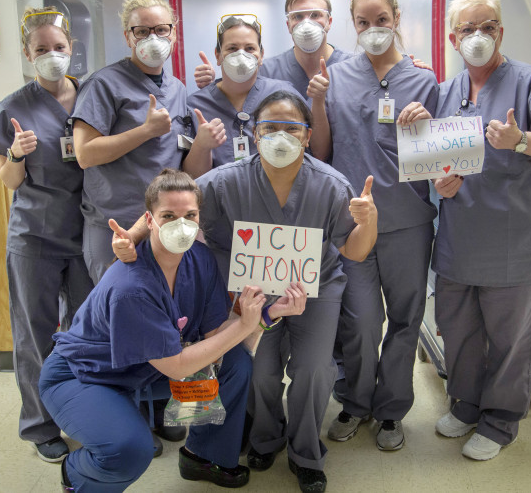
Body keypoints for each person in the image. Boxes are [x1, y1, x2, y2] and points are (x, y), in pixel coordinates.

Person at [113, 91, 378, 493]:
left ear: (308, 137)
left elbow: (355, 250)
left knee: (313, 368)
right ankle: (266, 438)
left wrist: (369, 221)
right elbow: (172, 201)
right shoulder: (226, 181)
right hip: (249, 293)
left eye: (292, 128)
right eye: (270, 128)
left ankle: (306, 453)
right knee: (261, 370)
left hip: (314, 291)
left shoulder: (330, 185)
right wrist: (130, 240)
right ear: (254, 134)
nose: (281, 137)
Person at [400, 0, 531, 461]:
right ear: (451, 37)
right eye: (467, 29)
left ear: (500, 31)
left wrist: (521, 140)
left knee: (510, 339)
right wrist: (445, 183)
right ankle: (466, 405)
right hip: (462, 238)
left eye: (487, 27)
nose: (477, 36)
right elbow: (447, 164)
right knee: (457, 329)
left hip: (518, 241)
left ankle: (501, 421)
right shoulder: (447, 92)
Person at [40, 169, 308, 491]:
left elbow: (214, 336)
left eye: (189, 215)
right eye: (168, 215)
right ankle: (78, 474)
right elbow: (178, 365)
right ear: (149, 220)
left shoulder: (200, 259)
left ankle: (202, 456)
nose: (181, 225)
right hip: (84, 376)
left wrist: (268, 315)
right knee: (129, 451)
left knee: (235, 364)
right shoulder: (132, 287)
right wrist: (247, 324)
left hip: (143, 370)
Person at [309, 0, 439, 451]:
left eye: (381, 19)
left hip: (408, 221)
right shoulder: (335, 76)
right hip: (353, 223)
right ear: (352, 24)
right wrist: (318, 103)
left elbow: (438, 159)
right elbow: (321, 150)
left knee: (406, 320)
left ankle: (391, 411)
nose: (373, 28)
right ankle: (355, 402)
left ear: (397, 19)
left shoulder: (425, 80)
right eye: (363, 22)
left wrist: (425, 126)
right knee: (360, 321)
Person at [0, 7, 93, 463]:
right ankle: (40, 425)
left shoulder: (92, 95)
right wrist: (17, 153)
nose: (52, 56)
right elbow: (7, 182)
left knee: (87, 331)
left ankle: (86, 414)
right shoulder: (14, 107)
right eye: (41, 50)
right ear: (28, 55)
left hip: (86, 235)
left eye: (59, 48)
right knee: (35, 333)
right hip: (35, 237)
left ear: (72, 50)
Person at [71, 0, 223, 284]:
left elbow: (184, 168)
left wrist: (202, 143)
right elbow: (85, 154)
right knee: (117, 312)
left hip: (164, 226)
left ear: (173, 34)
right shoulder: (103, 84)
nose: (152, 38)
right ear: (128, 38)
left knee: (163, 310)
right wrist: (145, 131)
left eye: (161, 29)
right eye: (142, 31)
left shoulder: (177, 89)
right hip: (115, 224)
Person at [193, 0, 354, 100]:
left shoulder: (351, 67)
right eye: (298, 16)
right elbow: (236, 96)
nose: (307, 24)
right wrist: (215, 82)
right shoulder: (267, 71)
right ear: (288, 24)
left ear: (329, 21)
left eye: (315, 15)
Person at [186, 14, 302, 167]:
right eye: (232, 48)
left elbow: (306, 153)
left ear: (261, 55)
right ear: (218, 55)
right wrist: (201, 146)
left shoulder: (284, 95)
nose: (241, 55)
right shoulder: (197, 105)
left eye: (250, 48)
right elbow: (192, 178)